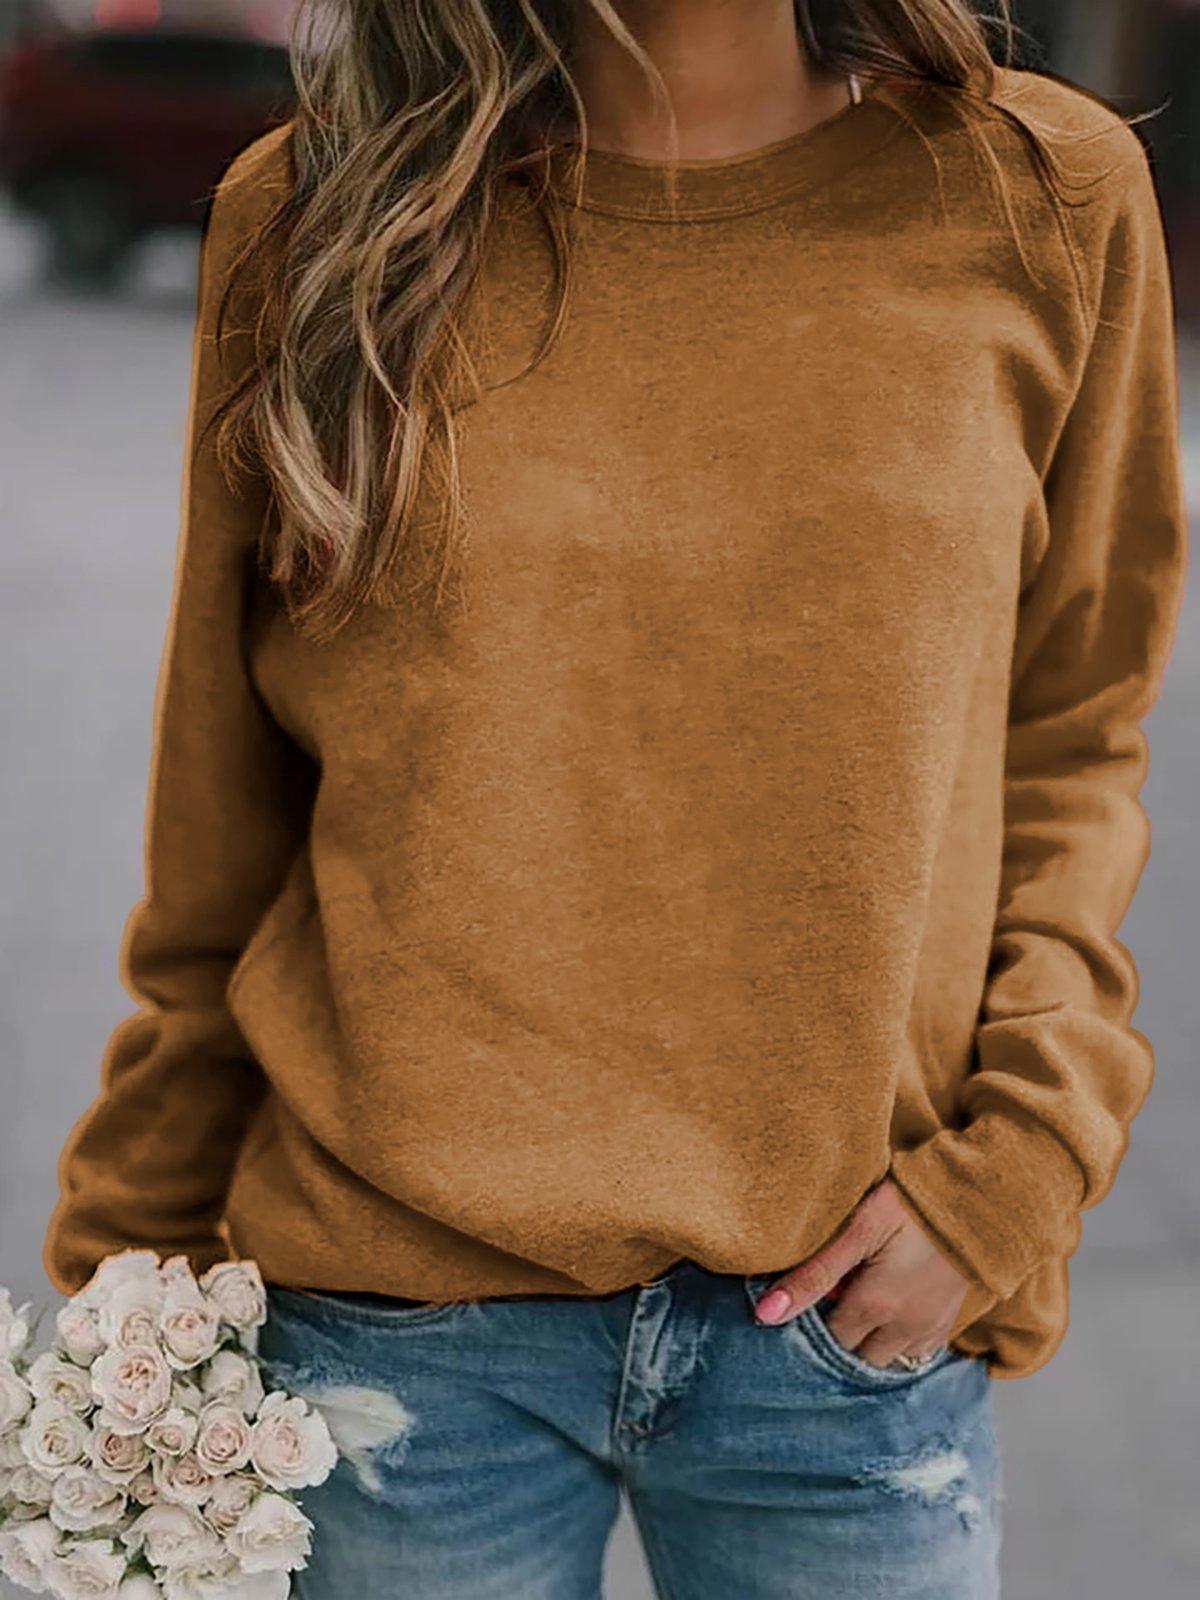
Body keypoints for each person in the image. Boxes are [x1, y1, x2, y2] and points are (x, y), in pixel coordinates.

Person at [43, 1, 1188, 1594]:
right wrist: (131, 1293)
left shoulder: (1038, 194)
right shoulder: (313, 216)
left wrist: (1022, 1160)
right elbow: (223, 823)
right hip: (392, 1343)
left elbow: (1074, 733)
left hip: (842, 1327)